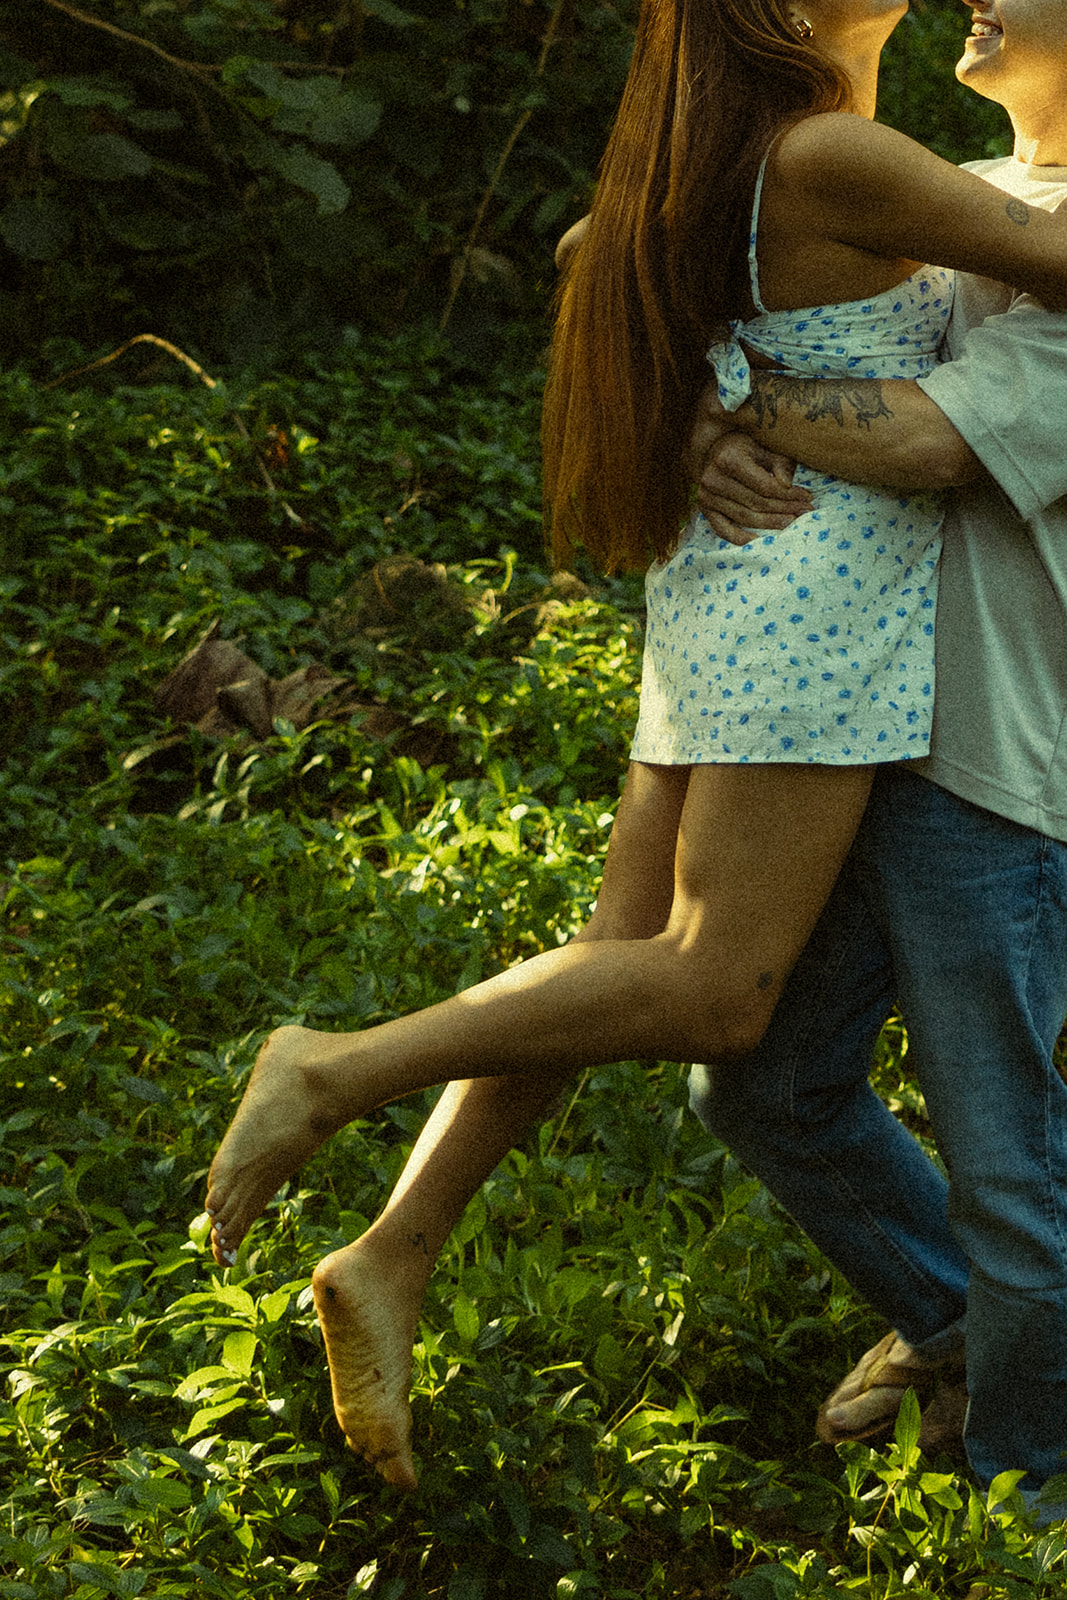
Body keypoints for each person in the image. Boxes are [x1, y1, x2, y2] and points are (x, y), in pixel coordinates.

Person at [204, 0, 1067, 1491]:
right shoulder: (852, 154)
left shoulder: (792, 150)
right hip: (818, 611)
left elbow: (608, 263)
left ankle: (396, 1252)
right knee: (715, 998)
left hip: (816, 639)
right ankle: (337, 1069)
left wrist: (703, 393)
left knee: (624, 964)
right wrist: (702, 399)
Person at [685, 0, 1067, 1512]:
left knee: (1016, 1176)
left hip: (998, 768)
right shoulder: (965, 190)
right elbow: (649, 262)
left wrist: (709, 390)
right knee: (758, 1087)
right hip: (854, 733)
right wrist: (684, 419)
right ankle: (970, 1330)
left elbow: (914, 440)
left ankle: (1028, 1487)